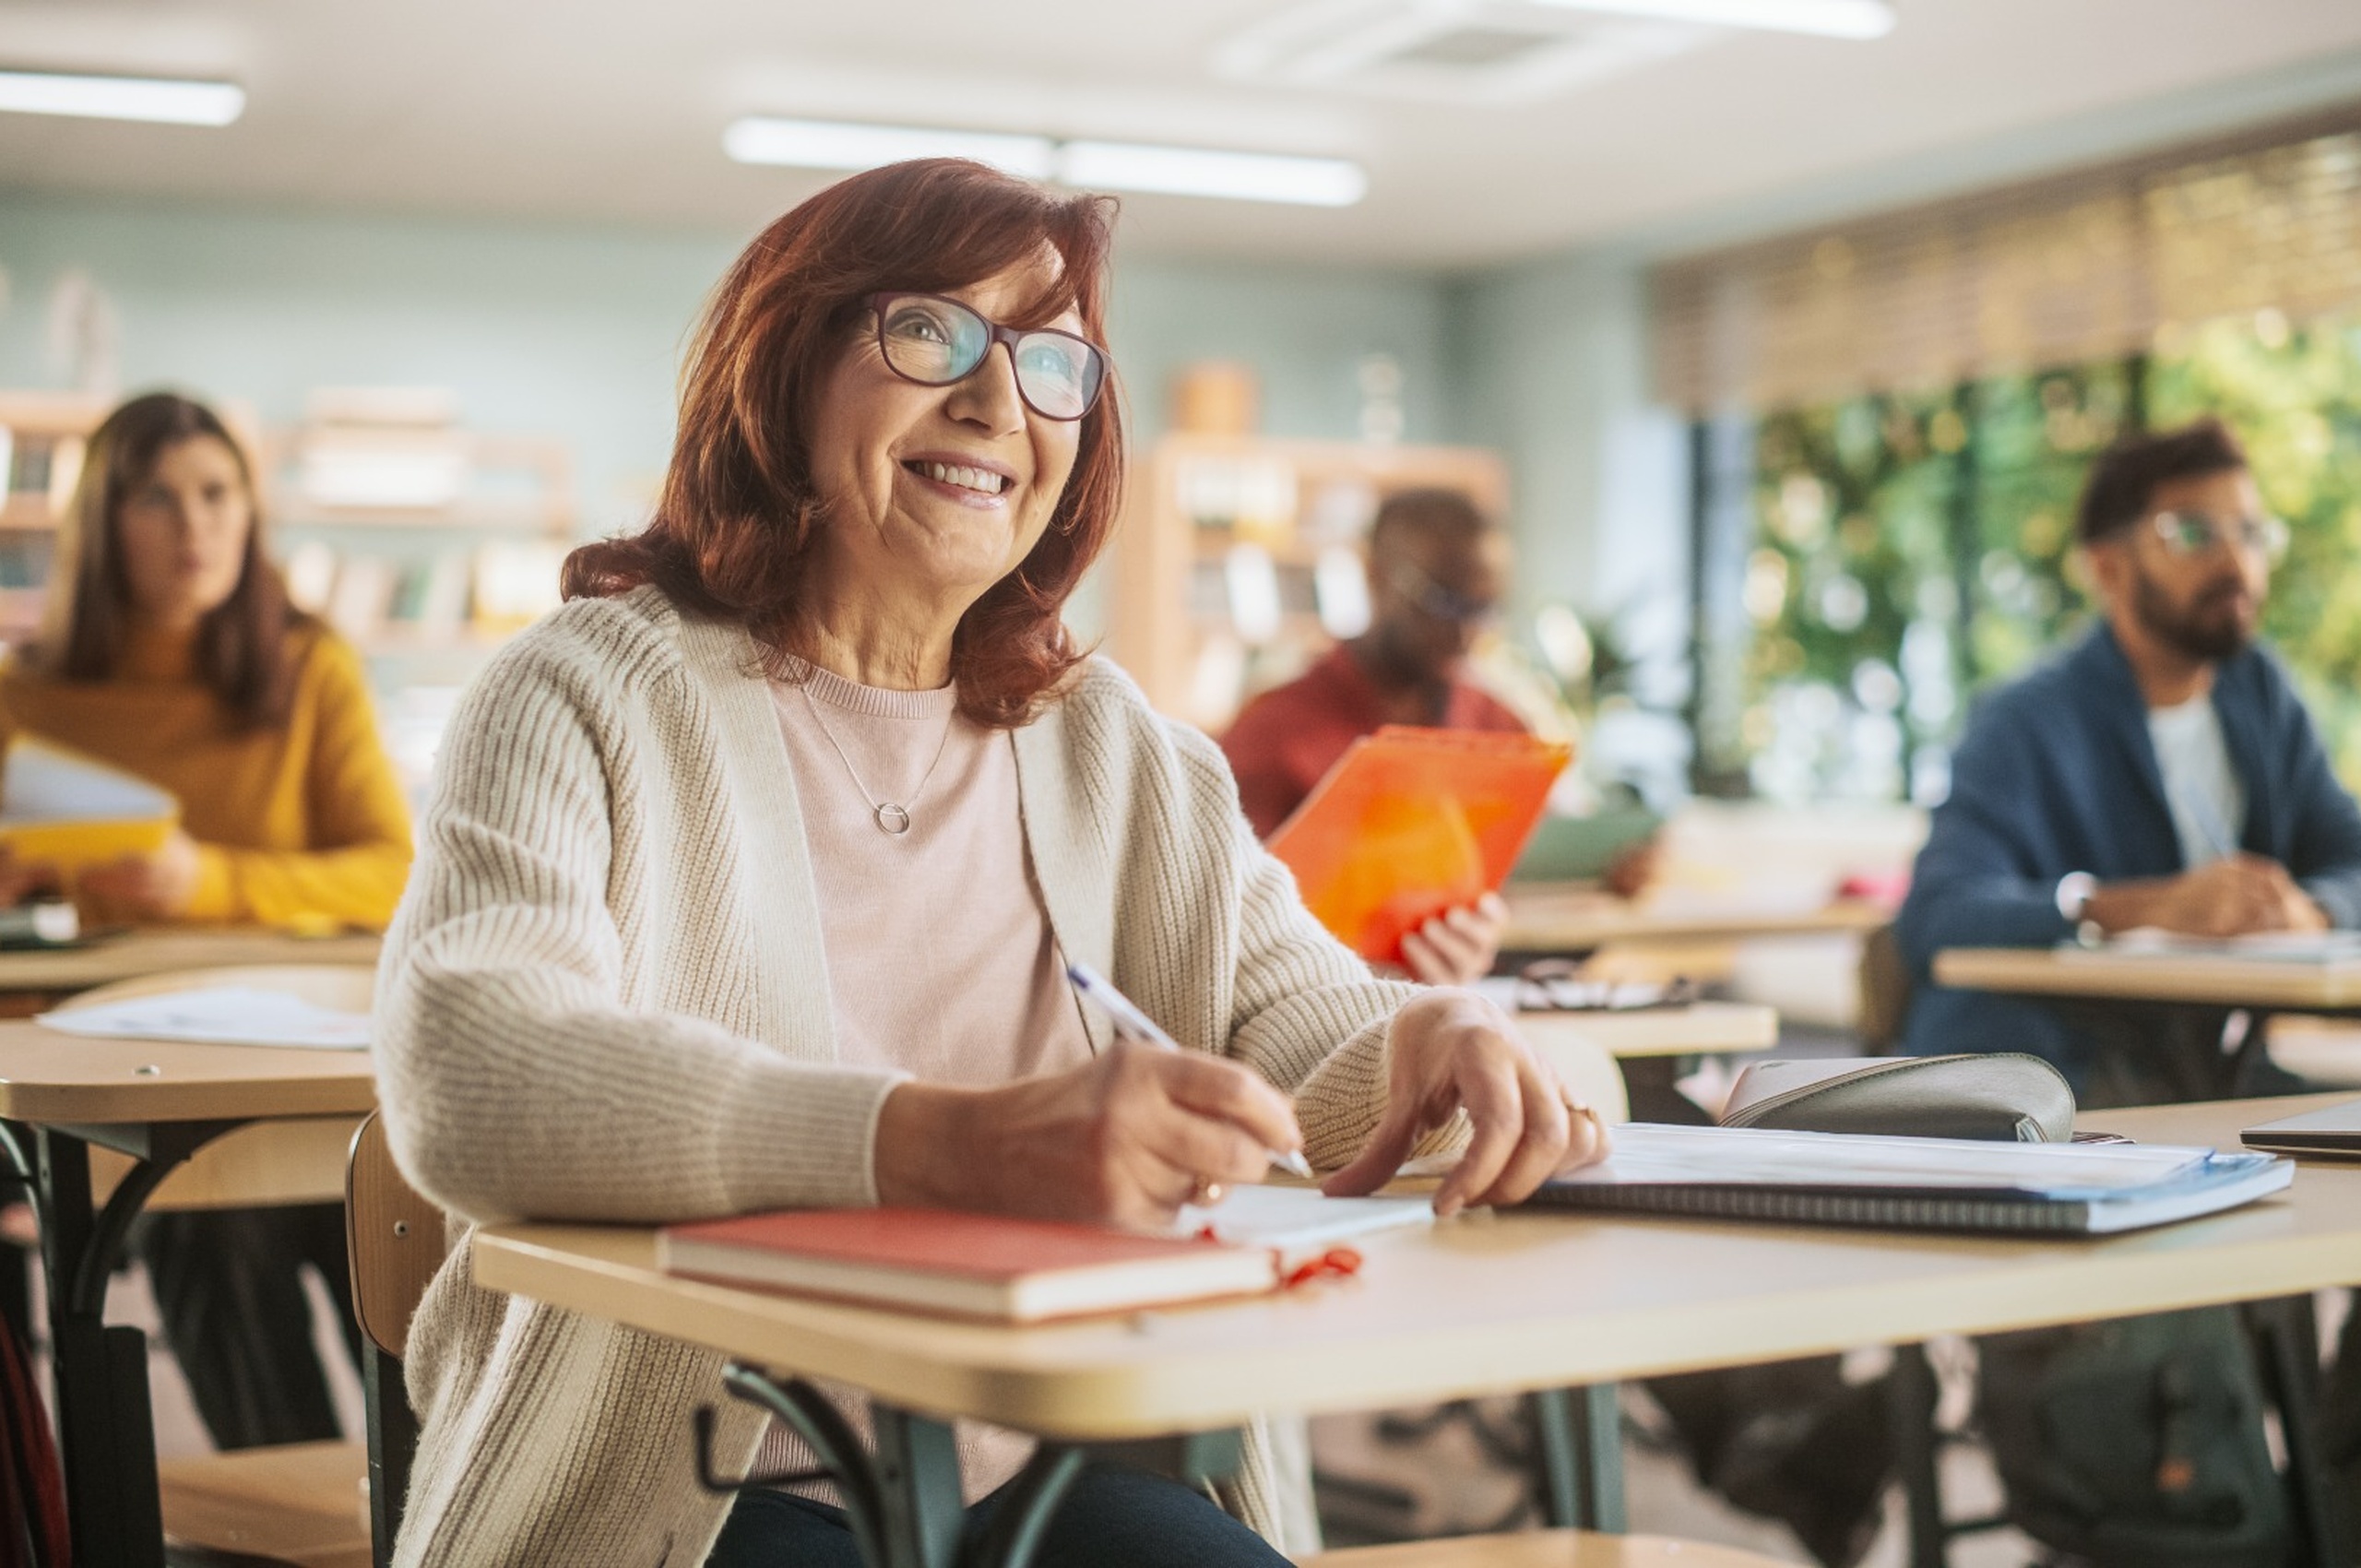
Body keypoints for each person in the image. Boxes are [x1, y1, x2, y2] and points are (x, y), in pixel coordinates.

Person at [373, 157, 1610, 1568]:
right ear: (781, 371)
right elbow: (467, 1075)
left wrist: (1436, 1034)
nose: (996, 401)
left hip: (1026, 1470)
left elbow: (1307, 1045)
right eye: (929, 333)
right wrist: (944, 1145)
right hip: (693, 1483)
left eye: (1052, 361)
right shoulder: (580, 691)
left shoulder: (1117, 747)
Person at [0, 390, 414, 1447]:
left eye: (218, 492)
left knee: (397, 1229)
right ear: (102, 519)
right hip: (143, 1065)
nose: (196, 527)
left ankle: (431, 1505)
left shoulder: (308, 664)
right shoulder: (24, 693)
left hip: (313, 1057)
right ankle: (292, 1516)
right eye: (158, 498)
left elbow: (392, 873)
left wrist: (207, 881)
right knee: (198, 1220)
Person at [1896, 418, 2361, 1103]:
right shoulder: (2024, 721)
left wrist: (2308, 909)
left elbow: (2349, 854)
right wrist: (2144, 908)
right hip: (2046, 1080)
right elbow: (1938, 913)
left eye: (2251, 532)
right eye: (2195, 533)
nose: (2236, 563)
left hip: (2199, 1070)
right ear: (2106, 566)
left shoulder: (2259, 694)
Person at [1221, 489, 1656, 986]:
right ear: (1376, 577)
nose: (1466, 633)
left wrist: (1605, 878)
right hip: (1318, 1010)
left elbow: (1537, 889)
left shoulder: (1499, 725)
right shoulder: (1272, 730)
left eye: (1484, 607)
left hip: (1484, 1002)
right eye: (1445, 602)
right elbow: (1226, 926)